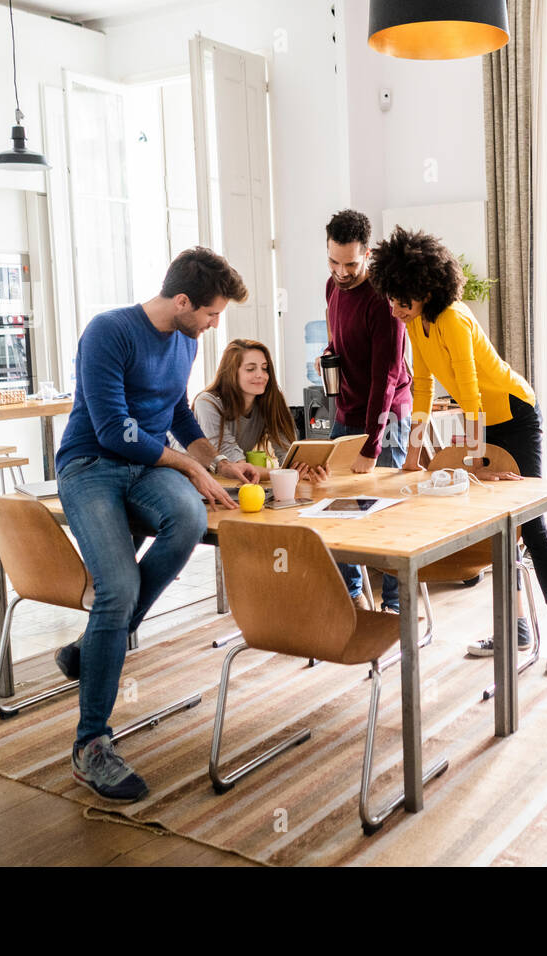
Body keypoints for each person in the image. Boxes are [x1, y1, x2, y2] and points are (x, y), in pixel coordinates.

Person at [53, 247, 246, 802]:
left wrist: (215, 460)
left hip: (145, 466)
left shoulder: (184, 338)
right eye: (211, 314)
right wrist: (185, 464)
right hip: (91, 465)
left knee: (188, 519)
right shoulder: (108, 332)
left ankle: (95, 648)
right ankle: (91, 744)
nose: (214, 326)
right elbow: (114, 431)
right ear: (182, 301)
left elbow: (177, 412)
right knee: (115, 590)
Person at [367, 226, 547, 676]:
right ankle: (517, 627)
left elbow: (471, 394)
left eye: (403, 299)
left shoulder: (453, 318)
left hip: (514, 414)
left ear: (425, 287)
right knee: (495, 528)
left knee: (530, 522)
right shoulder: (415, 324)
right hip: (484, 421)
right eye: (391, 299)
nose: (395, 309)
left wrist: (476, 461)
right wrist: (412, 456)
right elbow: (422, 388)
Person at [316, 209, 413, 613]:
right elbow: (336, 337)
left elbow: (386, 379)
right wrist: (328, 355)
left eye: (350, 264)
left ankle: (395, 606)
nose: (341, 271)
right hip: (347, 410)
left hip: (386, 417)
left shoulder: (383, 300)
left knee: (386, 514)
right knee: (336, 510)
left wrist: (371, 448)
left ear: (368, 254)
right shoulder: (331, 287)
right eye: (333, 261)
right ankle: (353, 598)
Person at [176, 337, 325, 484]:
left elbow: (287, 452)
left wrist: (307, 470)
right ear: (231, 373)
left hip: (217, 478)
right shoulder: (208, 402)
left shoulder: (268, 401)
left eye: (265, 368)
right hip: (182, 474)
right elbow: (236, 465)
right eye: (250, 369)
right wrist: (287, 473)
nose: (261, 374)